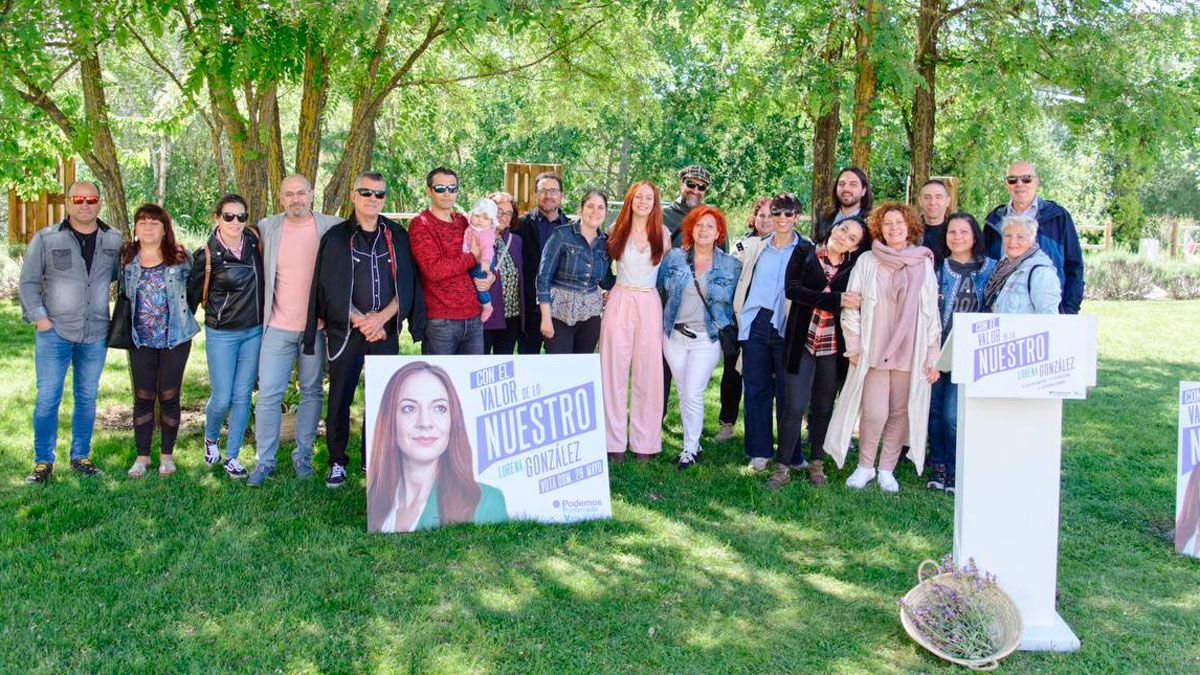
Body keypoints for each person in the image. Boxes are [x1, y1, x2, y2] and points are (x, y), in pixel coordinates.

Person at [304, 172, 425, 488]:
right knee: (340, 398)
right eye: (366, 193)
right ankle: (337, 461)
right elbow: (328, 287)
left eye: (379, 195)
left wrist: (381, 319)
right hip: (346, 332)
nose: (373, 199)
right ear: (353, 195)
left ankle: (375, 459)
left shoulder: (397, 235)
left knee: (383, 399)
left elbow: (407, 285)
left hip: (384, 331)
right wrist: (362, 320)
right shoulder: (336, 237)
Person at [824, 202, 941, 493]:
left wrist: (931, 353)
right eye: (887, 224)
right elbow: (851, 306)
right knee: (874, 411)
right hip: (874, 347)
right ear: (880, 228)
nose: (893, 229)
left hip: (909, 348)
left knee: (899, 411)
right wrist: (853, 346)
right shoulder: (867, 261)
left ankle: (886, 468)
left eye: (899, 223)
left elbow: (931, 312)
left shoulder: (923, 263)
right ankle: (865, 465)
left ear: (909, 226)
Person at [19, 181, 123, 483]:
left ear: (99, 203)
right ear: (68, 203)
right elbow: (27, 284)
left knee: (87, 397)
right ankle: (42, 462)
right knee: (48, 398)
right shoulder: (47, 238)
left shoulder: (113, 239)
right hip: (55, 332)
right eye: (78, 199)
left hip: (95, 333)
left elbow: (121, 275)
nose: (85, 204)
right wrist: (40, 320)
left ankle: (80, 456)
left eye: (91, 199)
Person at [248, 174, 342, 486]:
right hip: (276, 326)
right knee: (269, 395)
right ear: (280, 197)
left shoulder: (331, 226)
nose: (295, 199)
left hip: (314, 329)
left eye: (301, 193)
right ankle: (265, 461)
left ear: (312, 194)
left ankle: (303, 458)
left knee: (313, 392)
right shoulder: (267, 227)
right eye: (289, 194)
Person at [768, 216, 870, 489]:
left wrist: (832, 301)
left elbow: (857, 304)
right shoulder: (805, 251)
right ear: (834, 228)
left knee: (823, 408)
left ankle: (816, 464)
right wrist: (833, 299)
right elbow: (793, 290)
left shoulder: (853, 269)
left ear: (855, 247)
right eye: (843, 229)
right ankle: (782, 467)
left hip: (832, 349)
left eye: (852, 238)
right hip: (801, 342)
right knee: (793, 406)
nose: (844, 236)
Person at [367, 361, 507, 532]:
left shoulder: (486, 503)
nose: (425, 423)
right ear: (390, 419)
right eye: (409, 408)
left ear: (453, 420)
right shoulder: (374, 498)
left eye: (439, 408)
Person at [118, 204, 199, 478]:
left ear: (165, 229)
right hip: (139, 339)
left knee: (169, 395)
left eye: (155, 222)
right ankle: (142, 457)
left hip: (175, 338)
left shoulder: (180, 257)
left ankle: (167, 456)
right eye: (143, 221)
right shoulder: (127, 258)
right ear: (135, 229)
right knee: (143, 396)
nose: (148, 226)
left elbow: (196, 290)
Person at [657, 206, 740, 469]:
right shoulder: (674, 259)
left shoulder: (731, 265)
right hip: (673, 336)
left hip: (707, 337)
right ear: (691, 229)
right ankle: (695, 442)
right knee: (684, 392)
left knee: (693, 391)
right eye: (699, 225)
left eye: (710, 226)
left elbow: (737, 302)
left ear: (719, 233)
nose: (704, 230)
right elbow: (660, 288)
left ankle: (689, 449)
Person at [188, 194, 264, 480]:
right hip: (222, 334)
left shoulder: (255, 243)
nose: (236, 222)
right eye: (229, 216)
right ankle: (210, 439)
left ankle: (233, 456)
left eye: (241, 217)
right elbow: (191, 298)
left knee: (242, 395)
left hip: (253, 332)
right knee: (222, 397)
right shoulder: (206, 255)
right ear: (217, 218)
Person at [733, 193, 805, 471]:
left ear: (797, 217)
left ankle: (792, 454)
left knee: (789, 393)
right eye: (777, 213)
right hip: (757, 323)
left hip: (789, 324)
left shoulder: (805, 250)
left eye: (788, 213)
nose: (782, 218)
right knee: (756, 389)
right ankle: (759, 451)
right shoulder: (756, 247)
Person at [600, 181, 671, 463]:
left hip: (649, 300)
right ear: (630, 200)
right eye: (638, 197)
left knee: (649, 372)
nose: (643, 201)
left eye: (649, 198)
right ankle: (612, 441)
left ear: (655, 203)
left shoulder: (662, 233)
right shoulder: (617, 230)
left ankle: (645, 441)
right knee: (613, 370)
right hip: (621, 297)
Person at [926, 212, 996, 494]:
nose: (957, 237)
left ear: (974, 236)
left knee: (953, 415)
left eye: (963, 232)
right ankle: (938, 464)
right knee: (934, 411)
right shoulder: (937, 268)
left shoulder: (989, 269)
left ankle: (956, 467)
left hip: (969, 352)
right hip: (937, 347)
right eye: (951, 232)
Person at [409, 167, 492, 355]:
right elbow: (434, 270)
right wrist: (472, 257)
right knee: (440, 380)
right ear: (429, 191)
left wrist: (489, 276)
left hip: (473, 316)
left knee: (472, 382)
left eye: (452, 188)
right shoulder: (421, 224)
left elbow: (485, 251)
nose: (447, 194)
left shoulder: (464, 222)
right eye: (440, 188)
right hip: (441, 321)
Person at [983, 161, 1084, 314]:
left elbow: (1074, 266)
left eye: (1026, 179)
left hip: (1048, 311)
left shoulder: (1058, 217)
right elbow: (986, 266)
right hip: (1001, 314)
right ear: (1007, 184)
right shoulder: (995, 220)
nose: (1019, 184)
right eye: (1012, 179)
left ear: (1037, 182)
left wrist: (1068, 311)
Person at [715, 197, 773, 443]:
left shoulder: (787, 246)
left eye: (772, 216)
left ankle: (760, 427)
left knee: (762, 377)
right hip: (737, 320)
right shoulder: (740, 244)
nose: (766, 220)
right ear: (754, 217)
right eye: (762, 215)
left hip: (766, 323)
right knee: (732, 373)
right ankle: (727, 423)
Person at [536, 189, 615, 354]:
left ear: (606, 213)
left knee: (581, 372)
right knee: (560, 369)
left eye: (600, 207)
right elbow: (543, 278)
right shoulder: (562, 235)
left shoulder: (605, 243)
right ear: (581, 209)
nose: (595, 211)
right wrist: (546, 318)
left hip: (591, 316)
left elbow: (606, 280)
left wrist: (617, 289)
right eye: (590, 206)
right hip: (559, 313)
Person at [518, 171, 570, 355]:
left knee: (558, 369)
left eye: (553, 190)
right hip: (529, 310)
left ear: (561, 195)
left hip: (561, 311)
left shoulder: (572, 230)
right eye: (543, 190)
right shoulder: (520, 225)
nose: (548, 195)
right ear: (535, 194)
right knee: (527, 365)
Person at [981, 215, 1062, 314]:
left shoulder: (1041, 273)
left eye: (1020, 237)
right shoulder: (1001, 266)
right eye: (1008, 235)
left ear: (1032, 240)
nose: (1012, 241)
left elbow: (1048, 318)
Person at [482, 191, 525, 355]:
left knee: (503, 365)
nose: (504, 216)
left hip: (511, 317)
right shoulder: (475, 238)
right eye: (500, 211)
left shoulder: (515, 241)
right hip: (486, 316)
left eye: (509, 213)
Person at [814, 167, 872, 241]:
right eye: (842, 184)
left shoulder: (871, 222)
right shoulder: (824, 216)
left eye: (853, 184)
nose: (846, 188)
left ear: (864, 191)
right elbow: (816, 242)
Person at [465, 197, 499, 323]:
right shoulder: (470, 228)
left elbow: (487, 249)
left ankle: (487, 306)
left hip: (483, 263)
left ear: (491, 222)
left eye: (485, 218)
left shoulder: (486, 233)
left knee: (480, 284)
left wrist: (485, 261)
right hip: (472, 261)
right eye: (477, 216)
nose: (480, 220)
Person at [662, 164, 711, 247]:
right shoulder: (662, 216)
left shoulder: (711, 221)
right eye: (690, 184)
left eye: (701, 187)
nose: (695, 191)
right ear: (681, 185)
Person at [918, 179, 951, 266]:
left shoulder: (957, 232)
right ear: (920, 201)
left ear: (947, 201)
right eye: (927, 197)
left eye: (938, 197)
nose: (932, 202)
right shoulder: (908, 232)